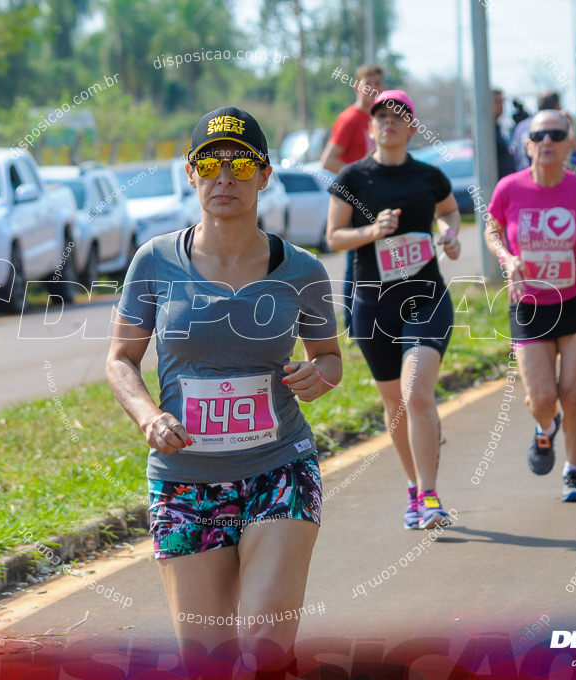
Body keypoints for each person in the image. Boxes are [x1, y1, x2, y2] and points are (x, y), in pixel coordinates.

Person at [106, 106, 341, 676]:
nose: (224, 176)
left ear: (265, 176)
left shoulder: (302, 270)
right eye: (209, 163)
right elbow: (120, 360)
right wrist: (147, 417)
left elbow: (330, 358)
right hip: (186, 480)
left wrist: (321, 376)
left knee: (264, 645)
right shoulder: (155, 261)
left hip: (279, 469)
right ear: (191, 174)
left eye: (241, 164)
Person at [325, 90, 461, 530]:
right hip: (373, 305)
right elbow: (334, 237)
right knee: (394, 404)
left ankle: (430, 493)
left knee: (416, 392)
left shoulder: (429, 176)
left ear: (412, 127)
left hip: (426, 299)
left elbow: (450, 210)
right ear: (370, 126)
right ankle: (413, 486)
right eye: (381, 115)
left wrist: (450, 233)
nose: (389, 121)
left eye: (398, 115)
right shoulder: (353, 177)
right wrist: (372, 230)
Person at [484, 109, 576, 502]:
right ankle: (546, 429)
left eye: (557, 134)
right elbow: (492, 229)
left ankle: (575, 470)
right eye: (540, 135)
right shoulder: (509, 188)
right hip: (530, 303)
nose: (548, 141)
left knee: (573, 391)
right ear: (528, 144)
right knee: (542, 398)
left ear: (571, 144)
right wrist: (507, 258)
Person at [322, 64, 385, 335]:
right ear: (357, 86)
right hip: (355, 200)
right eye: (368, 82)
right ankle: (351, 327)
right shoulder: (350, 119)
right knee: (355, 261)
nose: (374, 87)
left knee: (380, 259)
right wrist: (359, 178)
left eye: (378, 82)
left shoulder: (381, 117)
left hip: (377, 199)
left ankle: (378, 318)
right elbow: (328, 160)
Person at [511, 89, 561, 171]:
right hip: (538, 178)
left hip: (521, 175)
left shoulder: (521, 126)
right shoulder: (548, 128)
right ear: (556, 107)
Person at [493, 88, 516, 178]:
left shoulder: (501, 128)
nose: (501, 105)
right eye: (497, 101)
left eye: (502, 101)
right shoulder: (485, 133)